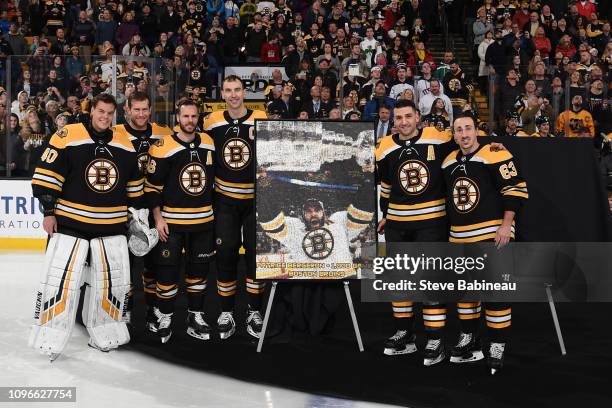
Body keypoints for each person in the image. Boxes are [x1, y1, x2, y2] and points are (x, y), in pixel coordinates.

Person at [29, 94, 143, 359]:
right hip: (71, 223)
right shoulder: (67, 135)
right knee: (61, 280)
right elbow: (46, 178)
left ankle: (105, 331)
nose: (104, 117)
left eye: (109, 113)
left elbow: (135, 190)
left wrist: (137, 222)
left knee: (111, 284)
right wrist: (48, 212)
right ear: (91, 110)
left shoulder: (125, 143)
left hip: (111, 226)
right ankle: (50, 333)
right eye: (100, 111)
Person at [442, 114, 528, 375]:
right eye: (459, 130)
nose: (464, 134)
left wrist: (506, 225)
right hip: (459, 237)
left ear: (476, 130)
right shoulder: (447, 162)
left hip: (492, 234)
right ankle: (469, 337)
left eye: (468, 128)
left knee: (495, 293)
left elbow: (515, 190)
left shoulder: (495, 154)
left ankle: (497, 345)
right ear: (453, 135)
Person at [375, 99, 454, 365]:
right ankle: (405, 333)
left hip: (431, 222)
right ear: (393, 121)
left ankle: (435, 337)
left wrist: (493, 145)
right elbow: (385, 186)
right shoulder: (384, 147)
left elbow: (468, 146)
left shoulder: (438, 138)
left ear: (418, 116)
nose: (403, 122)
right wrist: (386, 215)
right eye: (398, 118)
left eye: (408, 116)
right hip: (397, 223)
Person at [145, 99, 216, 343]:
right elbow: (151, 187)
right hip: (172, 224)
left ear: (199, 117)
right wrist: (158, 218)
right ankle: (164, 315)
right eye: (185, 116)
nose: (190, 121)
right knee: (167, 273)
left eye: (194, 116)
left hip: (203, 222)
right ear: (178, 117)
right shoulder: (162, 146)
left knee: (199, 274)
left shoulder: (208, 142)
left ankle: (195, 316)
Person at [203, 75, 267, 339]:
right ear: (222, 94)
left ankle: (254, 311)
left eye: (237, 90)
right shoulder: (212, 121)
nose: (233, 95)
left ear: (245, 92)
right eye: (228, 91)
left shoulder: (261, 117)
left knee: (255, 255)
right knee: (226, 254)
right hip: (225, 200)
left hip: (255, 200)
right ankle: (226, 311)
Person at [113, 92, 173, 331]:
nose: (140, 114)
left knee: (153, 265)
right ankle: (123, 313)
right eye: (135, 109)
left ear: (151, 110)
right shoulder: (115, 134)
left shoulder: (164, 133)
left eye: (144, 109)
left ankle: (152, 311)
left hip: (154, 207)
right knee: (123, 265)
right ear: (126, 109)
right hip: (123, 209)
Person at [259, 199, 373, 278]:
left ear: (323, 212)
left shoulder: (338, 222)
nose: (313, 214)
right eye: (308, 211)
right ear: (303, 215)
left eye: (317, 210)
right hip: (309, 283)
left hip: (342, 279)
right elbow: (271, 223)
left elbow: (361, 213)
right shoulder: (295, 228)